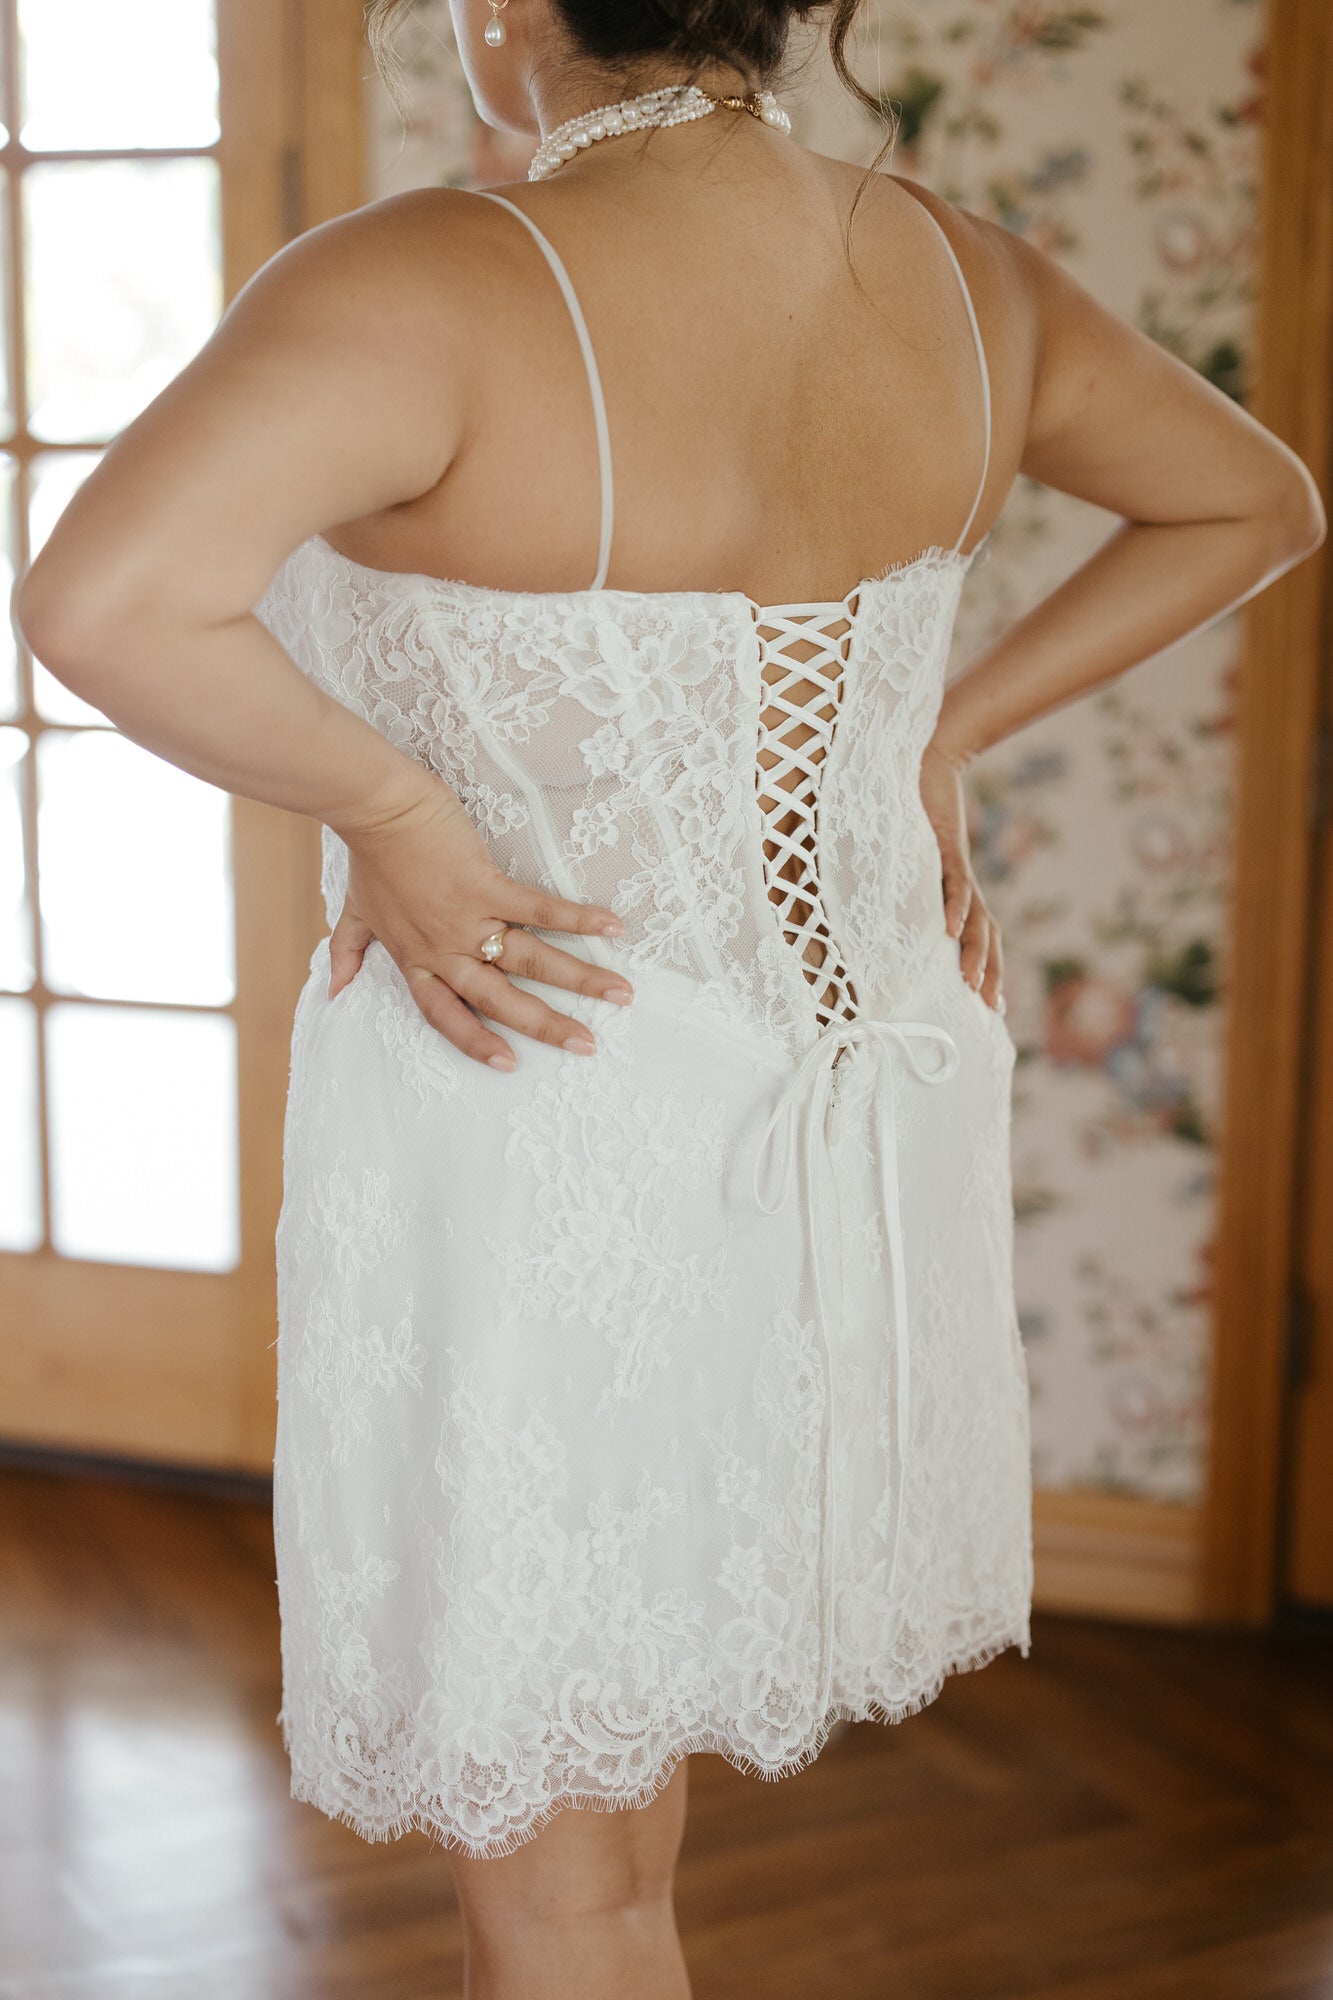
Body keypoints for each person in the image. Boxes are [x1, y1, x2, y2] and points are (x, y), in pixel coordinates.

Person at [17, 0, 1323, 1994]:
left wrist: (386, 799)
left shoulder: (432, 283)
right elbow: (1257, 497)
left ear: (507, 8)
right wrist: (931, 735)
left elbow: (97, 598)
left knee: (563, 1881)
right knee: (617, 1844)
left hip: (545, 1094)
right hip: (844, 1108)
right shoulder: (962, 277)